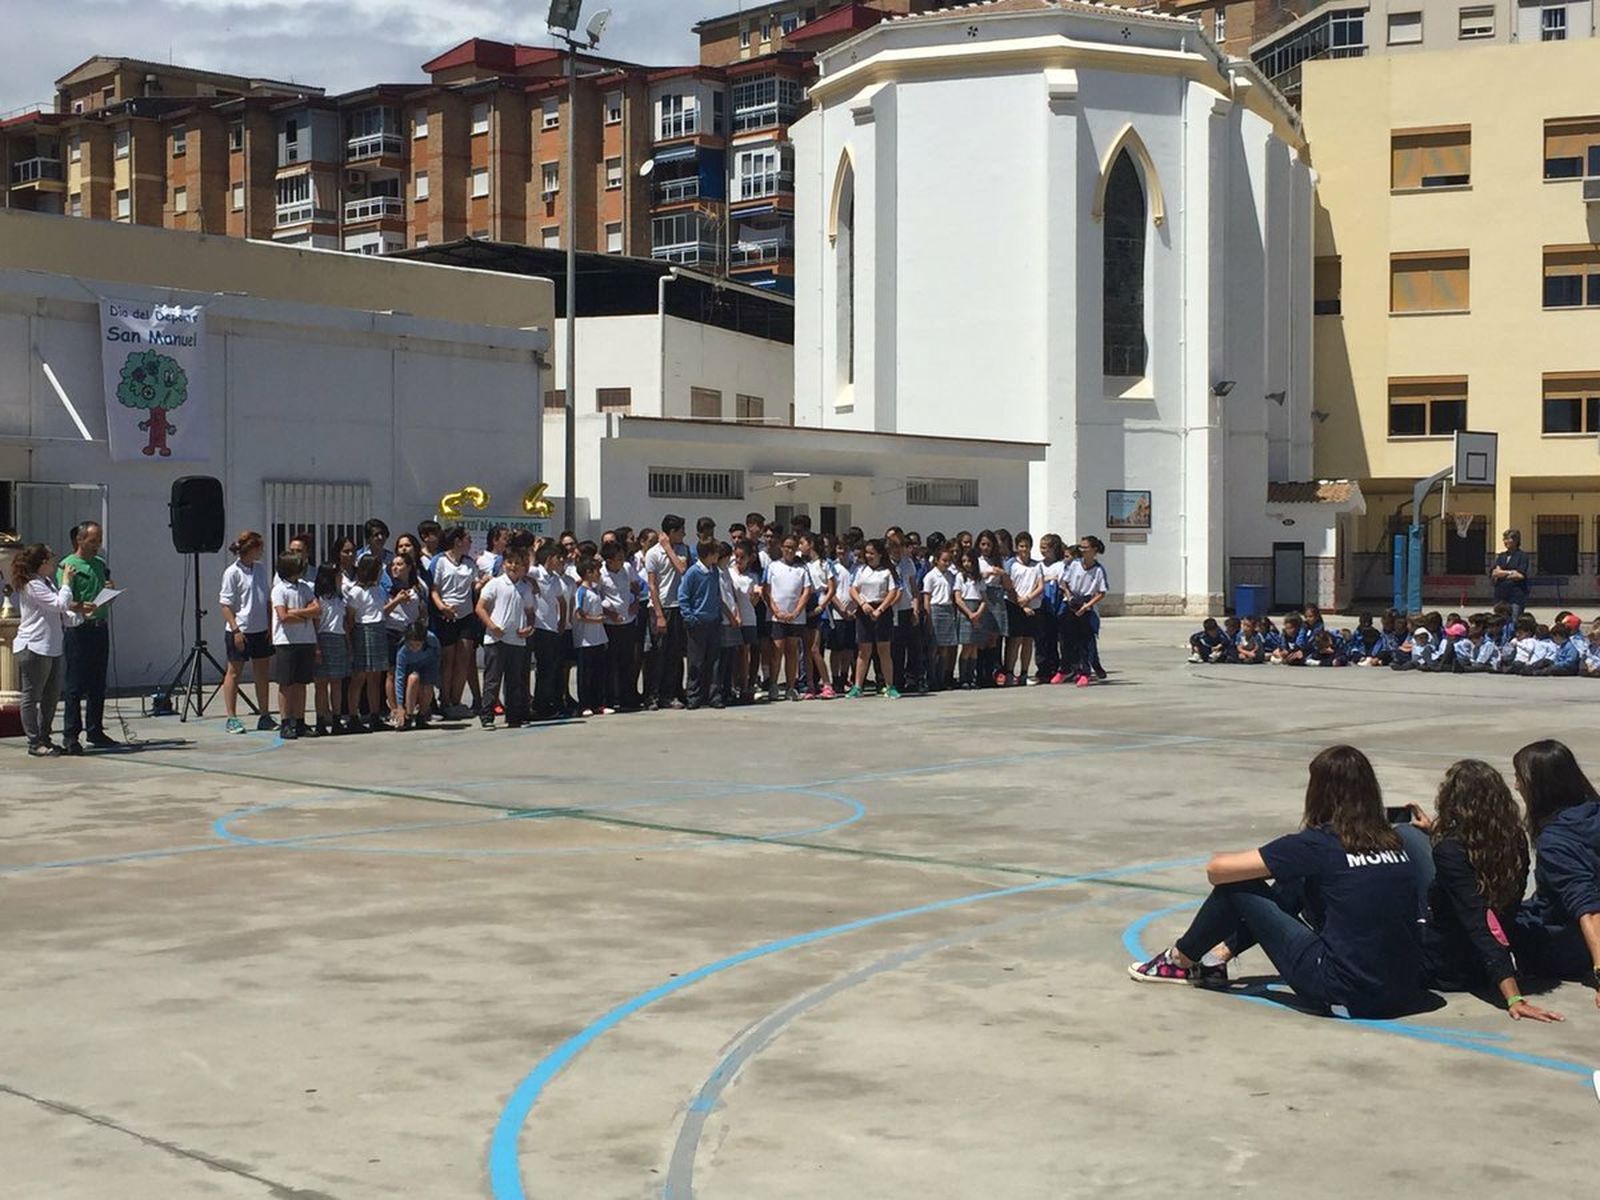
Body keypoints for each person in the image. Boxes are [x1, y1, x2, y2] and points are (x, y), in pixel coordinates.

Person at [1130, 745, 1427, 1019]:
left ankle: (1179, 960)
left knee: (1238, 885)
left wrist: (1282, 859)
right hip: (1405, 992)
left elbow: (1217, 870)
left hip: (1344, 993)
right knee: (1299, 879)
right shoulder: (1394, 842)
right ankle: (1219, 956)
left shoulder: (1318, 844)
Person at [1392, 761, 1562, 1021]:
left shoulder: (1450, 850)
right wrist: (1434, 829)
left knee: (1403, 849)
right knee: (1411, 835)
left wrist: (1513, 997)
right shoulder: (1515, 839)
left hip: (1450, 967)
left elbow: (1480, 923)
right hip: (1484, 957)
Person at [1509, 740, 1600, 1007]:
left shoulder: (1556, 841)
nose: (1516, 786)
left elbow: (1589, 910)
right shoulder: (1593, 813)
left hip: (1567, 945)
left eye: (1520, 778)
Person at [12, 543, 94, 757]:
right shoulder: (32, 585)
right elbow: (59, 604)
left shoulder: (46, 582)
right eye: (51, 558)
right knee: (32, 695)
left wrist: (82, 615)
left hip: (52, 646)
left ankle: (45, 737)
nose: (55, 562)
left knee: (51, 696)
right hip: (34, 646)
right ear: (42, 563)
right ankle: (34, 741)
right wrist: (66, 581)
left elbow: (62, 613)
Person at [57, 520, 116, 753]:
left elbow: (104, 592)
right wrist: (80, 606)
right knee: (75, 684)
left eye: (99, 541)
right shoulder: (68, 565)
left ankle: (95, 730)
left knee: (98, 682)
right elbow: (63, 599)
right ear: (79, 540)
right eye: (92, 541)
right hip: (79, 629)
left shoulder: (100, 564)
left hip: (99, 627)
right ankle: (71, 735)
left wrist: (110, 592)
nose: (96, 545)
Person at [219, 531, 275, 735]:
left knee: (262, 672)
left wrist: (270, 625)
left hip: (261, 630)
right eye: (259, 548)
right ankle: (231, 717)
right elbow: (225, 604)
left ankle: (265, 715)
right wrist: (235, 629)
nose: (262, 552)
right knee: (234, 672)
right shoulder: (232, 572)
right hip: (241, 630)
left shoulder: (260, 569)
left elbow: (266, 599)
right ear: (250, 549)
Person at [477, 549, 535, 728]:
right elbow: (480, 608)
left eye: (517, 563)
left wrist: (529, 628)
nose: (513, 566)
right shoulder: (495, 584)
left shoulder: (525, 588)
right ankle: (487, 715)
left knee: (514, 680)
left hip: (516, 640)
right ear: (504, 565)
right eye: (510, 562)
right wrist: (492, 626)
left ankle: (514, 716)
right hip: (496, 640)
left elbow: (530, 612)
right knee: (492, 680)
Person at [429, 525, 479, 718]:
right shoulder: (440, 561)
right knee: (448, 660)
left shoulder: (469, 562)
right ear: (457, 541)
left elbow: (475, 586)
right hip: (446, 616)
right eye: (468, 539)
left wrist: (484, 582)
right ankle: (445, 700)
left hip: (466, 616)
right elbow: (434, 589)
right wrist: (442, 608)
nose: (470, 542)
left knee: (464, 659)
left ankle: (456, 701)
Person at [270, 552, 319, 740]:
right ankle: (285, 722)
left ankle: (300, 721)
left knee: (301, 683)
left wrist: (297, 612)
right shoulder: (279, 589)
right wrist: (305, 615)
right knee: (286, 684)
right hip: (286, 641)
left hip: (306, 640)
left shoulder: (305, 587)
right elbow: (283, 616)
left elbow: (317, 609)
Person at [644, 515, 689, 711]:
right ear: (671, 532)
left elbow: (682, 569)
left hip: (677, 606)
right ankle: (652, 695)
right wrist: (659, 614)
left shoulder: (682, 549)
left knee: (674, 654)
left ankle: (670, 694)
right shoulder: (653, 553)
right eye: (680, 531)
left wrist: (669, 549)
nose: (684, 534)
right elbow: (652, 585)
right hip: (661, 606)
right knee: (657, 653)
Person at [850, 538, 900, 699]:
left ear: (880, 554)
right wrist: (862, 603)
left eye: (872, 553)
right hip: (864, 610)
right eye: (867, 553)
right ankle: (858, 686)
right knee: (863, 650)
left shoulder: (887, 571)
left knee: (884, 650)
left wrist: (880, 609)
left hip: (882, 611)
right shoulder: (860, 570)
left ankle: (890, 685)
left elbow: (893, 592)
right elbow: (853, 589)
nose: (869, 556)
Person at [679, 540, 726, 710]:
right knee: (696, 662)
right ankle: (693, 695)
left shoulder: (714, 572)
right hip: (697, 623)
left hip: (713, 622)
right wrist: (690, 618)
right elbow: (683, 596)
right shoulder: (693, 573)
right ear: (708, 554)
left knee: (714, 662)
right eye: (715, 553)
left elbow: (716, 594)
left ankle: (713, 695)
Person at [344, 555, 388, 733]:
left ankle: (374, 715)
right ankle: (353, 716)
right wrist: (351, 640)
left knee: (375, 677)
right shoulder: (356, 591)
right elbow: (350, 618)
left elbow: (381, 610)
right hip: (363, 630)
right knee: (359, 676)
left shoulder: (378, 590)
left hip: (378, 629)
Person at [764, 534, 811, 701]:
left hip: (795, 618)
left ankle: (791, 686)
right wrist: (776, 611)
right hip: (777, 617)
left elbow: (806, 591)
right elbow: (767, 591)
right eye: (786, 547)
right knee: (776, 651)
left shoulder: (802, 568)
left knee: (792, 651)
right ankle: (773, 685)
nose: (789, 550)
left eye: (792, 547)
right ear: (781, 548)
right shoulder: (773, 566)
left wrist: (796, 611)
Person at [1061, 535, 1108, 687]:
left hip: (1087, 605)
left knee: (1085, 641)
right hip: (1072, 602)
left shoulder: (1098, 570)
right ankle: (1072, 669)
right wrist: (1069, 596)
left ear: (1094, 550)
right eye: (1081, 547)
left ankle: (1085, 671)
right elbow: (1065, 582)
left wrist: (1088, 606)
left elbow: (1101, 592)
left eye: (1085, 547)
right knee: (1069, 639)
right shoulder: (1074, 564)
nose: (1082, 550)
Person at [311, 562, 350, 736]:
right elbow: (315, 624)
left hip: (338, 638)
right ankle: (320, 720)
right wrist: (317, 647)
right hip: (323, 638)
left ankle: (336, 719)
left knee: (337, 683)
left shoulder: (339, 598)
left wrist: (348, 643)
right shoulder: (318, 599)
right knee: (321, 684)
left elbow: (344, 622)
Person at [923, 541, 958, 690]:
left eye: (949, 561)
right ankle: (931, 678)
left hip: (948, 610)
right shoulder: (930, 576)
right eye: (944, 560)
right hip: (935, 610)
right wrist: (928, 617)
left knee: (944, 647)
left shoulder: (951, 575)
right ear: (936, 560)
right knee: (933, 648)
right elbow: (927, 597)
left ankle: (941, 677)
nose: (946, 563)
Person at [394, 619, 441, 730]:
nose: (414, 648)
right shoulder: (402, 652)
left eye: (418, 645)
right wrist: (400, 706)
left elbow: (436, 662)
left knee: (428, 685)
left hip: (428, 665)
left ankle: (422, 716)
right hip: (410, 671)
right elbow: (399, 678)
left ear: (424, 641)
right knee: (413, 679)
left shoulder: (433, 642)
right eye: (411, 645)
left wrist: (435, 681)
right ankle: (408, 716)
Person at [1491, 529, 1531, 621]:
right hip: (1500, 595)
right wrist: (1510, 572)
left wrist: (1502, 573)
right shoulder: (1501, 556)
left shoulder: (1522, 556)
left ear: (1516, 540)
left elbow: (1520, 575)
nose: (1505, 541)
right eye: (1504, 539)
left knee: (1514, 620)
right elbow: (1495, 573)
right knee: (1499, 620)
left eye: (1508, 539)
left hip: (1516, 595)